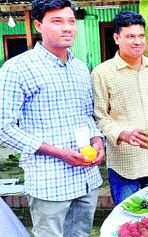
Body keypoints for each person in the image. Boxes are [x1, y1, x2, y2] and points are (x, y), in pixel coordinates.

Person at [0, 0, 105, 236]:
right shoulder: (17, 68)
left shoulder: (79, 67)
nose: (67, 28)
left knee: (80, 234)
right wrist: (57, 152)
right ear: (38, 25)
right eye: (57, 21)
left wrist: (97, 140)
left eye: (71, 21)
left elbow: (86, 116)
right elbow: (3, 127)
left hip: (86, 177)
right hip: (50, 180)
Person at [92, 10, 148, 205]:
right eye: (130, 36)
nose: (138, 41)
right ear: (117, 38)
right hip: (125, 165)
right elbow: (100, 117)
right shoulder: (102, 73)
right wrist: (121, 133)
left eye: (141, 36)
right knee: (127, 219)